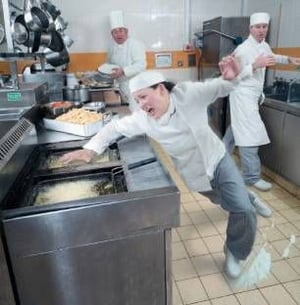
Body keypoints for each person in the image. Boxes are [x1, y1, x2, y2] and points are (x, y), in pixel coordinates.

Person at [60, 56, 273, 279]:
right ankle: (246, 196)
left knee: (242, 210)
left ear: (161, 90)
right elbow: (114, 128)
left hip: (217, 159)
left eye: (143, 97)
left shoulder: (188, 95)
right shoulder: (143, 119)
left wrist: (232, 77)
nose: (141, 104)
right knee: (225, 200)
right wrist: (91, 149)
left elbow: (221, 86)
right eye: (137, 100)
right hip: (194, 172)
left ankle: (234, 251)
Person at [223, 12, 300, 191]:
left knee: (236, 129)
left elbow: (271, 56)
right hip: (242, 96)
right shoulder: (243, 49)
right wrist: (254, 66)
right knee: (250, 136)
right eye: (258, 27)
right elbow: (232, 76)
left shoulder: (263, 45)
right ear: (250, 28)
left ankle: (217, 161)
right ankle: (250, 177)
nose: (261, 30)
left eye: (264, 27)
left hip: (252, 96)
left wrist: (289, 59)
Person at [102, 10, 147, 111]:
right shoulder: (111, 47)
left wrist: (122, 71)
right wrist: (103, 72)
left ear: (126, 32)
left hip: (137, 88)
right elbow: (109, 65)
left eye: (121, 31)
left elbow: (141, 65)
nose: (118, 34)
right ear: (112, 34)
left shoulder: (135, 45)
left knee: (139, 115)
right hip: (122, 88)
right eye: (115, 32)